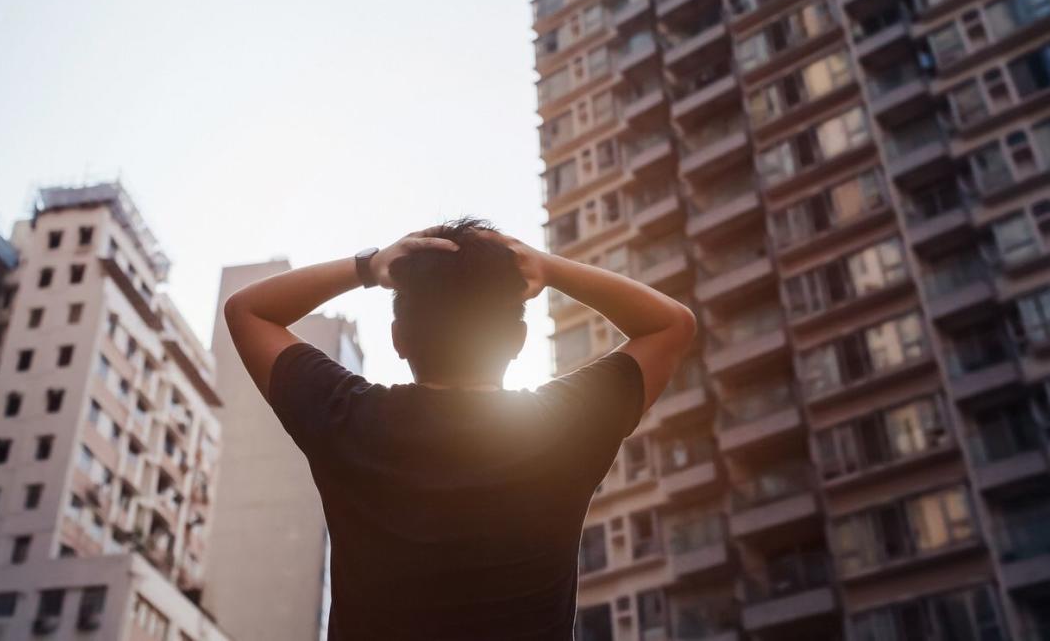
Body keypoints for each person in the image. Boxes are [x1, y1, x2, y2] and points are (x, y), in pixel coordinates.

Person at [223, 218, 696, 640]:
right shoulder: (563, 427)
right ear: (517, 341)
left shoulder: (345, 418)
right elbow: (670, 325)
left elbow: (248, 311)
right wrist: (548, 268)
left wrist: (368, 267)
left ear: (398, 339)